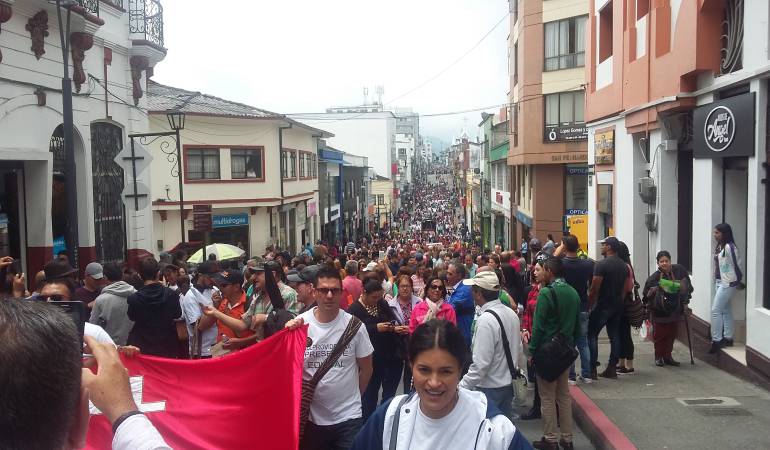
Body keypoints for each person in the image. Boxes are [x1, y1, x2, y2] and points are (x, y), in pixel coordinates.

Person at [0, 300, 169, 450]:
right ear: (79, 416)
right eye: (42, 299)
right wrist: (124, 413)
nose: (49, 302)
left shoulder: (95, 331)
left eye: (57, 298)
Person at [351, 320, 532, 450]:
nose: (434, 383)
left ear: (460, 370)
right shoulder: (389, 418)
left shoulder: (493, 429)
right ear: (411, 366)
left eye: (446, 371)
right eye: (424, 370)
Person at [284, 265, 374, 450]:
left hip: (348, 418)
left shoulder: (356, 327)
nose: (330, 296)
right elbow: (288, 369)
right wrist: (286, 334)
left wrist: (354, 397)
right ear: (314, 292)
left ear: (342, 293)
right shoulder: (300, 326)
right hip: (311, 419)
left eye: (335, 290)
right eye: (324, 290)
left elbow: (366, 369)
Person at [529, 256, 580, 450]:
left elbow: (538, 327)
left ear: (549, 271)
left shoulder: (546, 294)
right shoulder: (573, 293)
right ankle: (567, 439)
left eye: (540, 269)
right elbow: (577, 327)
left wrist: (532, 351)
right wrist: (570, 344)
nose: (536, 272)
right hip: (565, 350)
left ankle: (550, 438)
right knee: (564, 395)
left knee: (547, 396)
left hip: (547, 351)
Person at [460, 271, 524, 418]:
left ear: (478, 293)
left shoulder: (485, 320)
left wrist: (462, 386)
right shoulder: (511, 314)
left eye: (473, 290)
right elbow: (518, 349)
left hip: (489, 388)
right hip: (507, 385)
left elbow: (480, 364)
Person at [349, 278, 407, 420]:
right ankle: (368, 421)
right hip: (370, 357)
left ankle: (385, 417)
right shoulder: (354, 309)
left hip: (390, 353)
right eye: (374, 297)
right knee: (370, 394)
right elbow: (352, 331)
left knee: (389, 392)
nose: (377, 300)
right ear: (364, 293)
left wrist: (393, 327)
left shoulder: (381, 303)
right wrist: (375, 328)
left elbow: (392, 318)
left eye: (379, 296)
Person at [587, 236, 630, 379]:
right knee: (614, 336)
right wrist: (619, 302)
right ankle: (612, 367)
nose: (601, 247)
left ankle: (592, 368)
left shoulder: (601, 265)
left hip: (603, 305)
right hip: (617, 305)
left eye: (604, 244)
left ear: (609, 247)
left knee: (592, 335)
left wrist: (589, 304)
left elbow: (594, 288)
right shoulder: (624, 266)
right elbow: (625, 289)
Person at [643, 251, 693, 366]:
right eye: (662, 261)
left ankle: (668, 356)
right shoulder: (654, 277)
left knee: (671, 334)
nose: (664, 263)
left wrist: (685, 300)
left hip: (675, 310)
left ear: (670, 261)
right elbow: (646, 294)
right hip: (660, 312)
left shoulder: (678, 271)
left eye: (666, 261)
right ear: (658, 263)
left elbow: (687, 287)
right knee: (660, 335)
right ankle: (658, 357)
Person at [127, 257, 183, 358]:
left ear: (140, 276)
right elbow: (177, 314)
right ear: (158, 274)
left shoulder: (134, 299)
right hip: (167, 346)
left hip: (143, 346)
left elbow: (132, 317)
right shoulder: (171, 294)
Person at [559, 235, 594, 384]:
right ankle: (586, 374)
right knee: (583, 341)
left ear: (565, 247)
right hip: (583, 305)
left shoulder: (561, 264)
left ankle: (571, 375)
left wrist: (559, 249)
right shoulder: (587, 264)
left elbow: (547, 261)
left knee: (568, 341)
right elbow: (592, 284)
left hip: (566, 307)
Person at [198, 269, 256, 355]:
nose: (220, 289)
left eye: (224, 285)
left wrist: (241, 342)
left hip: (243, 356)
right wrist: (215, 306)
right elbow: (202, 326)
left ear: (236, 287)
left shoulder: (251, 303)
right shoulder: (220, 302)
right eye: (219, 285)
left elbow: (260, 336)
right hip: (221, 356)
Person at [710, 222, 742, 353]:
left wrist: (738, 280)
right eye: (715, 232)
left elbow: (737, 264)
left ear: (724, 234)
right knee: (725, 309)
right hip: (720, 281)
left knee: (716, 310)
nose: (714, 235)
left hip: (728, 283)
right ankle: (728, 337)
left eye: (717, 233)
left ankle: (717, 341)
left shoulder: (730, 247)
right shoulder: (720, 246)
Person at [387, 274, 421, 392]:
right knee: (392, 378)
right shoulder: (390, 305)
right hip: (396, 346)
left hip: (414, 344)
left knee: (410, 377)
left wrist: (412, 329)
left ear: (412, 288)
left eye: (407, 286)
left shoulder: (419, 303)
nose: (405, 289)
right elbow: (386, 324)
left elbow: (423, 325)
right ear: (398, 288)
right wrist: (394, 329)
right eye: (402, 286)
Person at [90, 262, 136, 346]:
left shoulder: (100, 300)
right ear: (122, 275)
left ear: (105, 277)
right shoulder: (136, 295)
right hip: (131, 349)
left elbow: (92, 327)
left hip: (108, 349)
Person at [615, 241, 636, 374]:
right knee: (621, 333)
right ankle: (621, 362)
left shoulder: (625, 267)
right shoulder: (627, 266)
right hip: (624, 302)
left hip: (624, 303)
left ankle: (629, 364)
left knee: (625, 334)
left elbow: (628, 287)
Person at [446, 261, 474, 348]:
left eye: (450, 274)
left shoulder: (464, 289)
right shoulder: (460, 287)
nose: (447, 276)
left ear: (459, 275)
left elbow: (450, 309)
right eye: (447, 273)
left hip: (464, 332)